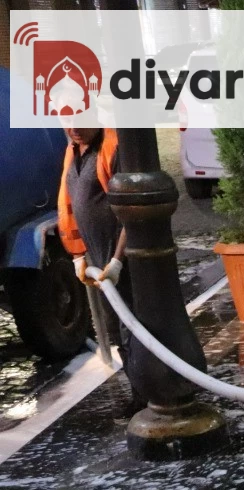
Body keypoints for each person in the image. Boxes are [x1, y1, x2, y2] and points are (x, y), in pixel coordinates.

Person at [58, 127, 139, 416]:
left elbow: (131, 209)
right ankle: (138, 390)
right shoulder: (74, 151)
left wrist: (118, 259)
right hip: (98, 259)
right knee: (116, 326)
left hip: (123, 258)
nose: (74, 129)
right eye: (67, 121)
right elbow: (70, 206)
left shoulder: (112, 147)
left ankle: (147, 393)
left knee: (134, 324)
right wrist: (78, 255)